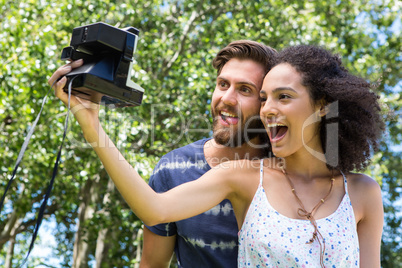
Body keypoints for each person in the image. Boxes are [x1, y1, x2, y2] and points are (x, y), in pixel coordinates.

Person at [49, 44, 384, 267]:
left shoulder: (362, 192)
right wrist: (90, 123)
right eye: (223, 84)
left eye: (250, 91)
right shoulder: (241, 177)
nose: (269, 108)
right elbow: (153, 213)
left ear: (323, 106)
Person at [49, 40, 277, 268]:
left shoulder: (289, 172)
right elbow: (152, 263)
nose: (227, 98)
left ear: (267, 102)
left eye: (245, 89)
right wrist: (91, 125)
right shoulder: (174, 169)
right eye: (222, 84)